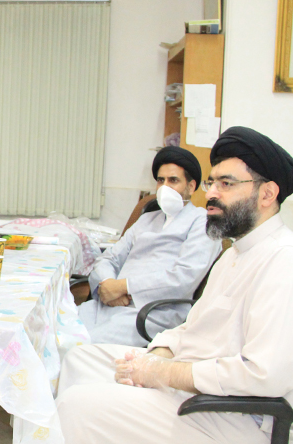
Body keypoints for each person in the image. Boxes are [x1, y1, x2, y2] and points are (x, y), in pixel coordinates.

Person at [26, 126, 293, 444]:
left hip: (247, 425)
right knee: (81, 360)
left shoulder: (289, 263)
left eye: (226, 184)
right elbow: (193, 326)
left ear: (267, 193)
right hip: (210, 396)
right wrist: (159, 354)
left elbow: (266, 375)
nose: (211, 194)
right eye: (212, 182)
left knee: (81, 408)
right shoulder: (237, 255)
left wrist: (164, 374)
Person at [78, 146, 221, 346]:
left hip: (151, 314)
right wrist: (107, 284)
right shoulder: (147, 219)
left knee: (80, 347)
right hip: (109, 304)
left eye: (173, 180)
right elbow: (109, 258)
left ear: (191, 186)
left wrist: (123, 286)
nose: (165, 187)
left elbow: (183, 278)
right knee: (50, 334)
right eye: (161, 181)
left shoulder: (203, 222)